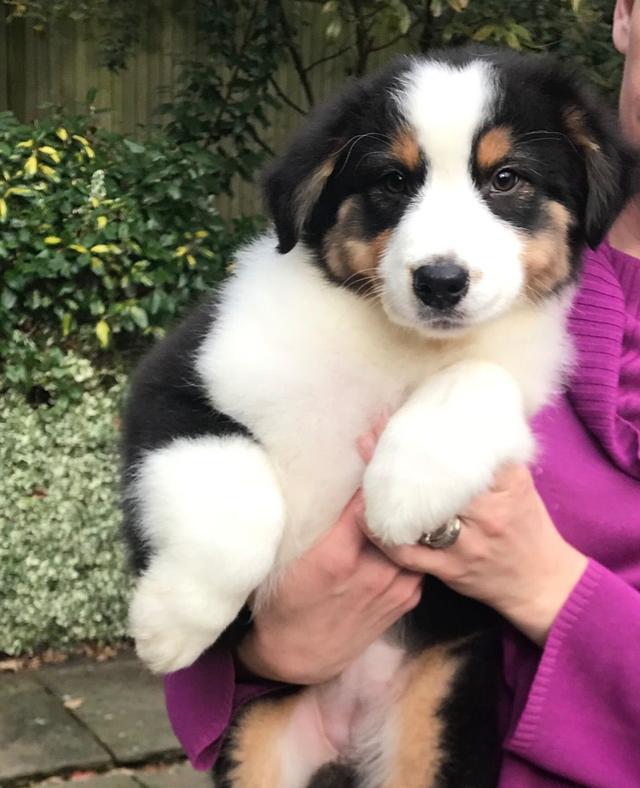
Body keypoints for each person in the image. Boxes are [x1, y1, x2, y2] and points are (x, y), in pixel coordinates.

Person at [164, 1, 640, 784]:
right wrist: (258, 648)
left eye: (509, 180)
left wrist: (543, 583)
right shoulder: (371, 300)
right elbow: (223, 522)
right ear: (624, 12)